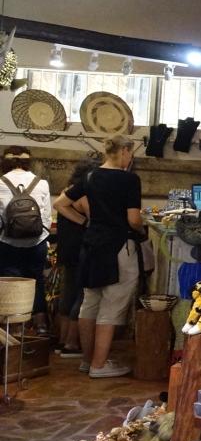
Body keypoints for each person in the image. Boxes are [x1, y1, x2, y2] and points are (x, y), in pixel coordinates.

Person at [53, 135, 143, 378]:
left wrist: (85, 222)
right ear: (124, 151)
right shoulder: (129, 180)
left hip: (91, 246)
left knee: (90, 303)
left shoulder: (91, 176)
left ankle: (87, 360)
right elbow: (134, 219)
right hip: (118, 246)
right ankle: (100, 365)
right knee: (111, 305)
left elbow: (60, 204)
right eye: (130, 154)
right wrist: (141, 228)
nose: (130, 159)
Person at [51, 156, 100, 358]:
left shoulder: (68, 189)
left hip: (66, 248)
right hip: (81, 249)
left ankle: (62, 340)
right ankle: (72, 343)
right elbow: (94, 218)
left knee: (68, 294)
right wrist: (84, 221)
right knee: (82, 295)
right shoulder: (84, 194)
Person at [0, 146, 53, 336]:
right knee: (36, 281)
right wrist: (40, 237)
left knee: (10, 283)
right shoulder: (41, 183)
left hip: (7, 243)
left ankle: (13, 330)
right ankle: (40, 325)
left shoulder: (0, 183)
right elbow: (46, 218)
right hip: (36, 243)